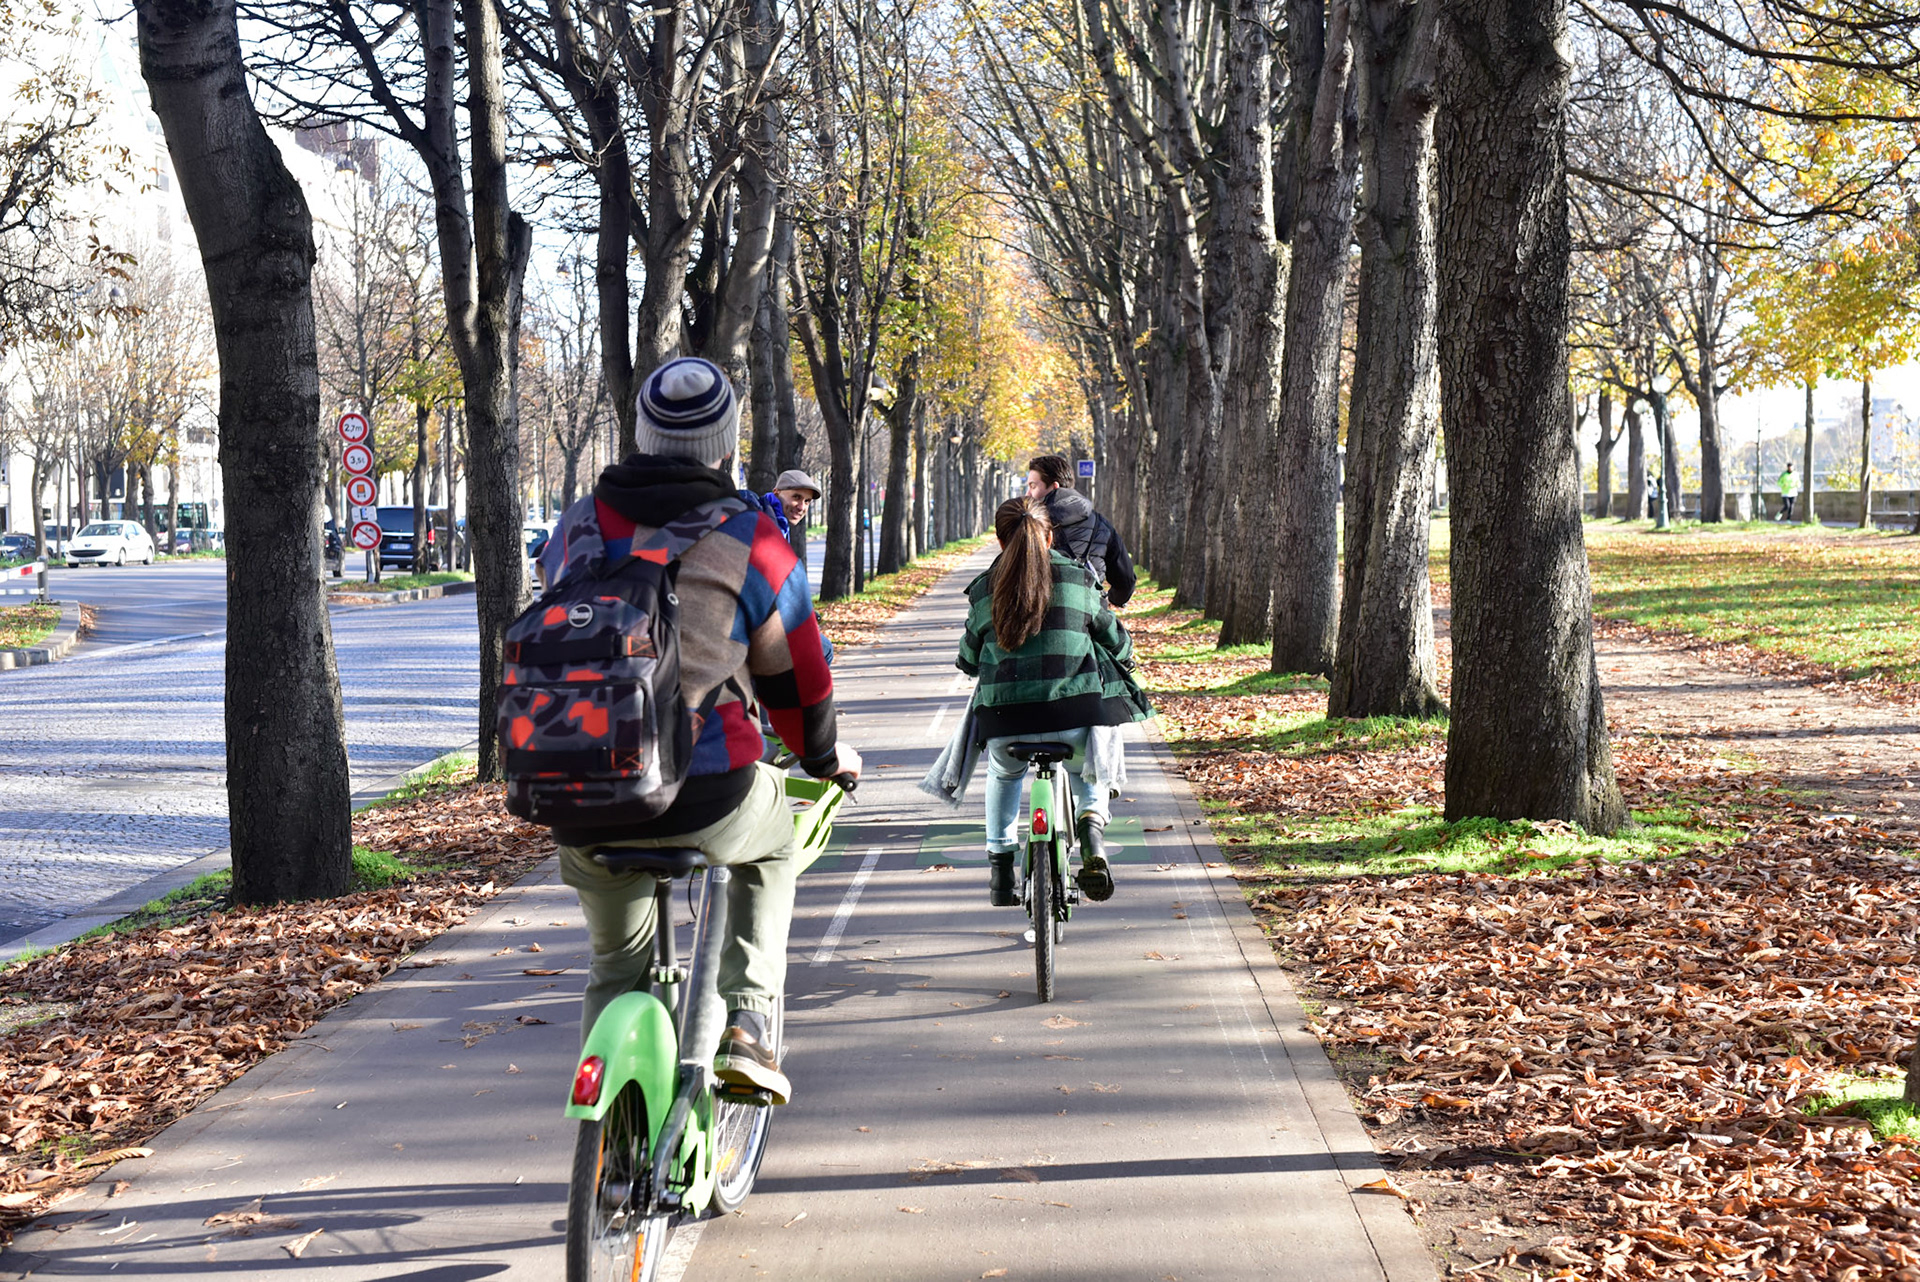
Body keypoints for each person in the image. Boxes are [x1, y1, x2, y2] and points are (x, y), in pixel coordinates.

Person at [541, 357, 860, 1106]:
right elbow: (799, 678)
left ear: (643, 435)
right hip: (706, 791)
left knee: (615, 965)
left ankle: (610, 1147)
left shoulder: (574, 527)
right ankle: (748, 1023)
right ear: (726, 445)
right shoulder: (753, 536)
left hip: (576, 792)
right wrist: (822, 755)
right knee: (777, 838)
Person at [957, 498, 1151, 907]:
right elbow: (1114, 638)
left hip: (1004, 722)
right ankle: (1093, 838)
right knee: (1089, 768)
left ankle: (1000, 873)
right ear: (1049, 536)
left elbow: (969, 659)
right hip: (1073, 716)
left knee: (1004, 775)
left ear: (998, 540)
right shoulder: (1078, 579)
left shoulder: (983, 589)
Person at [1025, 454, 1136, 607]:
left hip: (1037, 619)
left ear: (1054, 487)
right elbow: (1126, 581)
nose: (1028, 494)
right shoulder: (1101, 524)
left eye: (1033, 486)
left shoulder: (1029, 525)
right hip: (1089, 618)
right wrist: (1110, 600)